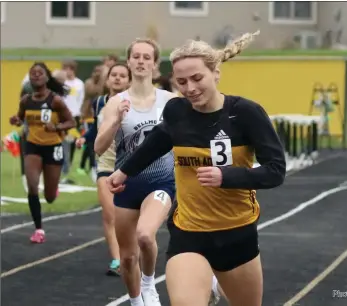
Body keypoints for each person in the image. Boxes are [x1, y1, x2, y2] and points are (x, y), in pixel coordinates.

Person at [106, 31, 286, 306]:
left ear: (216, 73)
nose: (189, 88)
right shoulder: (177, 112)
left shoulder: (245, 114)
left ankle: (214, 284)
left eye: (197, 78)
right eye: (181, 82)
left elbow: (276, 170)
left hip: (237, 234)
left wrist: (227, 176)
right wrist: (124, 171)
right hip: (188, 233)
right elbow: (157, 143)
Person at [94, 38, 178, 306]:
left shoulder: (171, 101)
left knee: (145, 234)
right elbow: (98, 147)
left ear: (155, 64)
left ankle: (149, 283)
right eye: (136, 57)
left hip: (162, 182)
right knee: (128, 257)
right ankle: (136, 301)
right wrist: (117, 120)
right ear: (128, 61)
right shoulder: (115, 102)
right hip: (126, 185)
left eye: (147, 57)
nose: (141, 61)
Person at [9, 62, 75, 243]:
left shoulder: (55, 101)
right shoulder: (26, 100)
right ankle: (38, 229)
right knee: (32, 186)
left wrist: (57, 127)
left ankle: (54, 190)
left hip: (53, 147)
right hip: (32, 145)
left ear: (47, 77)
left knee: (50, 197)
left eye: (40, 73)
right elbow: (20, 118)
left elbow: (71, 122)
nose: (36, 76)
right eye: (33, 73)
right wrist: (15, 119)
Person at [76, 63, 131, 275]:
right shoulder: (99, 102)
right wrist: (84, 138)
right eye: (113, 75)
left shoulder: (135, 103)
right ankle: (117, 261)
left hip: (129, 164)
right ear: (107, 80)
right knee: (109, 215)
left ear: (129, 80)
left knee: (128, 216)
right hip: (106, 164)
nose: (117, 79)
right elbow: (96, 128)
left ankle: (131, 254)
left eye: (122, 76)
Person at [61, 60, 85, 182]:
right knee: (63, 141)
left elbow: (81, 99)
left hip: (75, 115)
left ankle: (68, 163)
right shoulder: (62, 83)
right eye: (65, 68)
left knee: (73, 142)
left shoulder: (79, 83)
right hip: (64, 115)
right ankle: (64, 166)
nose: (67, 71)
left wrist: (79, 113)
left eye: (69, 69)